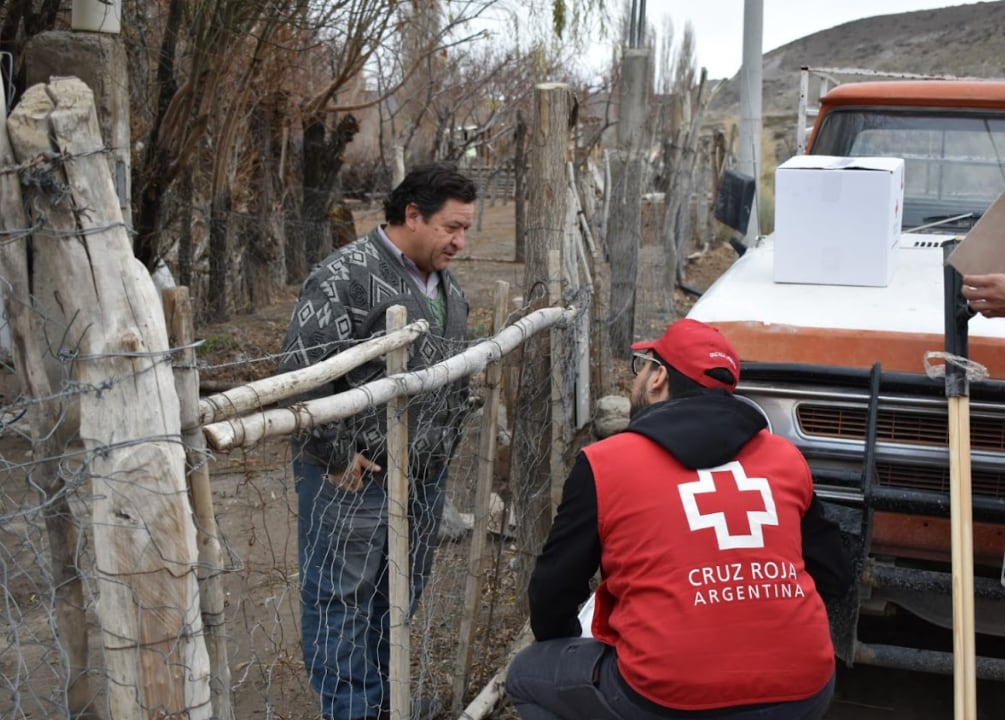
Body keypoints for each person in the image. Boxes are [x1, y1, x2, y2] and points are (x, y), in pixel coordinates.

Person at [506, 318, 853, 720]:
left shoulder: (606, 465)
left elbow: (553, 592)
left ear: (658, 379)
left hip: (666, 695)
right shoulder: (785, 458)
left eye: (644, 365)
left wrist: (566, 646)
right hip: (803, 688)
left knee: (527, 676)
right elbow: (835, 575)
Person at [280, 162, 478, 720]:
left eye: (466, 229)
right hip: (358, 474)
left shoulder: (440, 280)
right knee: (343, 599)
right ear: (412, 215)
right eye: (452, 228)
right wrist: (336, 454)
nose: (461, 242)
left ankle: (386, 701)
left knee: (397, 596)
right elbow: (303, 372)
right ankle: (352, 710)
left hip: (422, 475)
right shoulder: (343, 276)